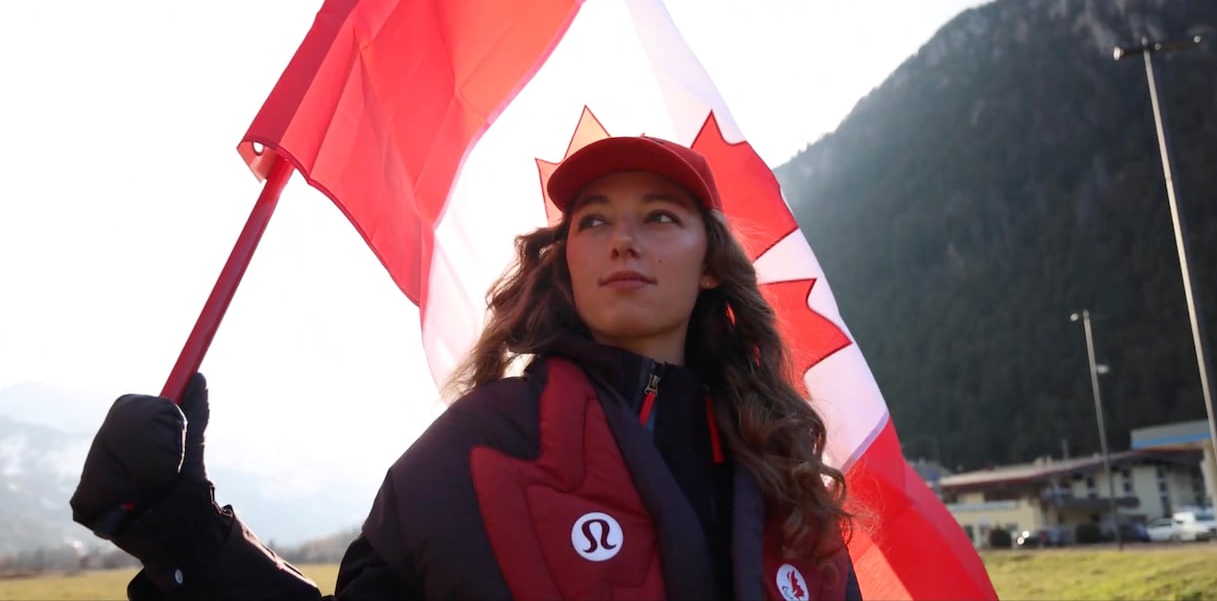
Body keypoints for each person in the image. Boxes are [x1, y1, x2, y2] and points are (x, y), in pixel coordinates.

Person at [70, 135, 865, 600]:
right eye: (594, 221)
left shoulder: (787, 485)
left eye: (660, 217)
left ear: (711, 266)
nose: (624, 240)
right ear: (570, 260)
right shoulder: (475, 455)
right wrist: (185, 537)